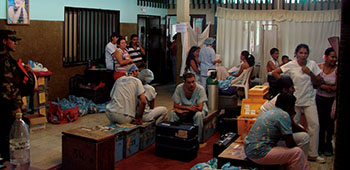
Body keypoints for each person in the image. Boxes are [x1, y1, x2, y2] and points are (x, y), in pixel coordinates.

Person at [272, 43, 325, 163]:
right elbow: (275, 72)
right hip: (295, 100)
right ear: (296, 54)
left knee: (314, 125)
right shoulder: (291, 64)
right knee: (293, 126)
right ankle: (295, 153)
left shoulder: (312, 64)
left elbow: (319, 81)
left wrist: (309, 73)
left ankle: (313, 154)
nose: (303, 55)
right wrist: (286, 86)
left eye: (305, 53)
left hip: (310, 99)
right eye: (301, 53)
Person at [244, 93, 310, 170]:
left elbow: (294, 131)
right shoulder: (283, 115)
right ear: (289, 107)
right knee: (297, 153)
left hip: (250, 149)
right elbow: (290, 143)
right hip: (259, 153)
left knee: (301, 141)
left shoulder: (272, 111)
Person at [0, 29, 35, 160]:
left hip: (6, 105)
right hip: (6, 107)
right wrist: (15, 106)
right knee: (7, 140)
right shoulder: (4, 61)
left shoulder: (8, 59)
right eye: (13, 40)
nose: (16, 43)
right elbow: (8, 86)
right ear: (4, 41)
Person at [166, 73, 208, 142]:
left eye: (193, 82)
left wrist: (183, 110)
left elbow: (199, 108)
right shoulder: (179, 88)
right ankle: (171, 137)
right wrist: (189, 108)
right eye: (189, 82)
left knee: (198, 115)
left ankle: (197, 139)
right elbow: (175, 106)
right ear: (184, 82)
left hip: (196, 111)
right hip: (187, 109)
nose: (191, 84)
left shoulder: (200, 89)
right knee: (172, 113)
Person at [316, 47, 337, 156]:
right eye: (332, 57)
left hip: (331, 100)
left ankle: (328, 146)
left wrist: (330, 88)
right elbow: (316, 83)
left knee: (330, 124)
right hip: (319, 98)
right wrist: (327, 87)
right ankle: (319, 146)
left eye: (335, 57)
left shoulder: (337, 69)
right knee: (320, 123)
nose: (334, 59)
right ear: (326, 56)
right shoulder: (319, 67)